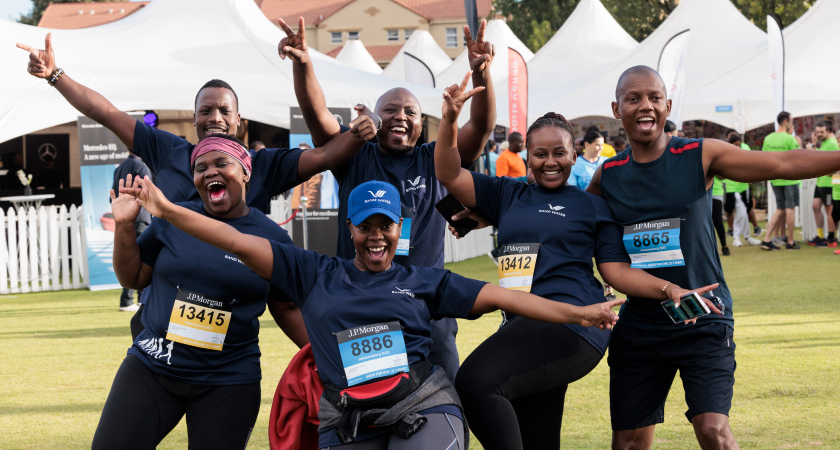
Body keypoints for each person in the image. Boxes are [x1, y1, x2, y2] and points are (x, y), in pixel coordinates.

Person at [125, 175, 624, 449]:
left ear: (400, 228)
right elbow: (234, 237)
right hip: (348, 419)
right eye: (367, 226)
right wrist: (167, 211)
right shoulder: (312, 272)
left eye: (387, 225)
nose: (378, 236)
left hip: (421, 406)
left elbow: (502, 297)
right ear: (351, 228)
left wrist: (578, 315)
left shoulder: (423, 280)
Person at [17, 24, 379, 344]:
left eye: (224, 110)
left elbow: (328, 156)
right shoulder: (168, 150)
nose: (215, 118)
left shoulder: (264, 164)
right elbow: (107, 113)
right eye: (205, 111)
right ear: (194, 120)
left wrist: (359, 133)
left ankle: (335, 366)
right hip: (162, 313)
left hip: (231, 316)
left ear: (239, 120)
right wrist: (55, 75)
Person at [434, 78, 720, 450]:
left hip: (575, 324)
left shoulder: (592, 205)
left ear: (574, 155)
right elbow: (449, 173)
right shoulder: (506, 193)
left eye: (559, 153)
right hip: (523, 325)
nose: (550, 161)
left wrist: (669, 288)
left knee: (475, 382)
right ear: (527, 157)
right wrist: (450, 118)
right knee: (537, 437)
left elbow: (616, 269)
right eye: (540, 154)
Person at [583, 65, 840, 450]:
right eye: (633, 98)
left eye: (654, 97)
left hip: (704, 316)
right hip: (641, 327)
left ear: (668, 105)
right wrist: (485, 208)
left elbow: (782, 166)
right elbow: (571, 220)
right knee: (629, 443)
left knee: (713, 432)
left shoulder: (698, 155)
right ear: (616, 109)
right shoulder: (609, 175)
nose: (645, 106)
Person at [94, 133, 372, 449]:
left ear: (245, 172)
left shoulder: (271, 238)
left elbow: (288, 307)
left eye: (221, 163)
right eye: (200, 168)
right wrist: (126, 227)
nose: (210, 171)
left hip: (227, 381)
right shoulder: (171, 219)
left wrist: (335, 358)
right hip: (153, 368)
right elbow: (133, 277)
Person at [292, 21, 498, 385]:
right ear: (374, 116)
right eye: (389, 110)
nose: (400, 116)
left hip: (424, 300)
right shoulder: (355, 154)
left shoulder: (437, 159)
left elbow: (479, 129)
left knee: (445, 393)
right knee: (366, 398)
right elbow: (318, 118)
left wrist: (481, 71)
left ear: (422, 125)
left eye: (410, 112)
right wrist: (303, 62)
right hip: (360, 299)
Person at [111, 151, 152, 313]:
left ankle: (131, 299)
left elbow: (113, 194)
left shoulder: (120, 166)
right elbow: (148, 191)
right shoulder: (141, 166)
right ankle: (134, 300)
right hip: (140, 216)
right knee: (142, 259)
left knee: (130, 257)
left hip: (126, 218)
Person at [759, 111, 801, 250]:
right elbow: (798, 158)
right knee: (790, 209)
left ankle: (766, 239)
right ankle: (790, 241)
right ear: (785, 122)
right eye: (792, 121)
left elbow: (764, 158)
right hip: (789, 179)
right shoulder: (790, 138)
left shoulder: (768, 138)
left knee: (780, 209)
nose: (792, 124)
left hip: (775, 179)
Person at [723, 135, 761, 247]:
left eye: (739, 144)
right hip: (732, 188)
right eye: (735, 145)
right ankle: (745, 237)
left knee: (742, 213)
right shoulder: (726, 153)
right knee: (742, 213)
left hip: (744, 187)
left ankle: (739, 237)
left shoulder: (744, 149)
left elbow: (750, 164)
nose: (738, 146)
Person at [809, 121, 838, 247]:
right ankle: (820, 236)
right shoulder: (826, 143)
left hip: (828, 184)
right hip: (820, 182)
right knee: (815, 206)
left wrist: (814, 147)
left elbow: (825, 161)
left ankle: (831, 238)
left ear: (829, 131)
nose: (819, 134)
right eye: (817, 132)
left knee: (829, 211)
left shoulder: (832, 143)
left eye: (822, 132)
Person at [711, 174, 730, 256]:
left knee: (718, 221)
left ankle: (724, 246)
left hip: (716, 193)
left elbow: (723, 175)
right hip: (700, 192)